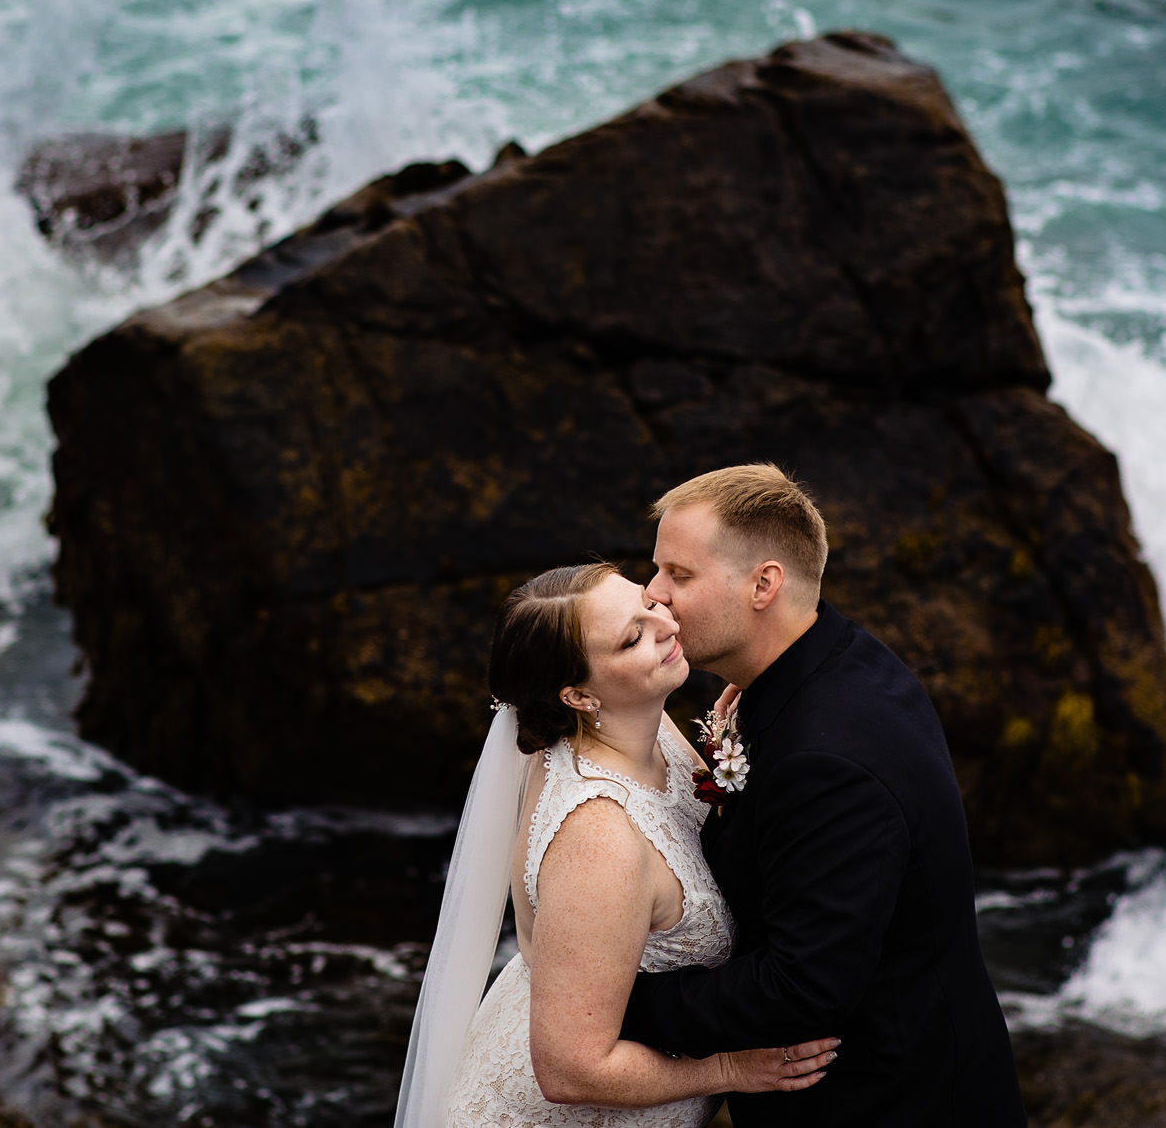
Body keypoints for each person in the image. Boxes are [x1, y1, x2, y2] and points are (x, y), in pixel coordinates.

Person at [620, 464, 1029, 1127]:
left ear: (764, 584)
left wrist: (621, 1001)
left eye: (679, 574)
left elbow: (801, 987)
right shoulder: (837, 659)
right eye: (657, 568)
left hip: (890, 1104)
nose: (653, 593)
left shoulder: (826, 758)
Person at [395, 562, 838, 1128]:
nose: (667, 626)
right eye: (633, 638)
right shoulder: (599, 838)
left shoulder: (643, 726)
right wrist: (728, 1070)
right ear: (578, 695)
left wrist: (742, 733)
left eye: (649, 606)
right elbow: (568, 1072)